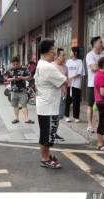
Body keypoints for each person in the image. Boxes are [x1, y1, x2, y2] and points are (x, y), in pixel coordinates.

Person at [34, 39, 68, 169]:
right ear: (48, 51)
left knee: (45, 133)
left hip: (45, 105)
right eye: (53, 50)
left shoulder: (40, 64)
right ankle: (45, 159)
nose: (54, 53)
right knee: (48, 135)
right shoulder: (48, 67)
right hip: (49, 107)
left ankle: (46, 155)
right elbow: (64, 80)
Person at [5, 56, 34, 125]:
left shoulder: (24, 69)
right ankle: (16, 118)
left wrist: (22, 77)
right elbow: (7, 79)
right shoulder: (10, 70)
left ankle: (27, 119)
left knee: (24, 105)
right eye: (14, 64)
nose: (15, 66)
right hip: (13, 91)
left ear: (19, 63)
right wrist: (13, 79)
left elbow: (29, 77)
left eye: (16, 64)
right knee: (15, 105)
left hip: (22, 90)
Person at [85, 36, 103, 133]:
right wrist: (103, 68)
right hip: (92, 84)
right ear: (95, 43)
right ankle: (89, 125)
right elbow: (94, 68)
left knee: (99, 105)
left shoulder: (102, 55)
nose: (102, 44)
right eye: (100, 42)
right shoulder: (90, 55)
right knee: (90, 105)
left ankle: (98, 125)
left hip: (102, 85)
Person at [65, 47, 84, 123]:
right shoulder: (68, 61)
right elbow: (65, 71)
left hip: (76, 84)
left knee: (76, 101)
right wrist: (67, 79)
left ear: (75, 53)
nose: (70, 53)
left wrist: (71, 77)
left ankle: (76, 117)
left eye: (71, 51)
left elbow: (80, 73)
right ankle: (67, 116)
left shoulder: (79, 61)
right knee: (67, 101)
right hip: (69, 84)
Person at [55, 48, 69, 126]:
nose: (64, 57)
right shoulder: (52, 66)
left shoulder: (65, 67)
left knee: (60, 115)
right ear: (58, 56)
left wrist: (66, 92)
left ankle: (54, 132)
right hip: (54, 95)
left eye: (64, 55)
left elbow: (67, 79)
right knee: (54, 115)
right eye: (63, 55)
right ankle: (52, 133)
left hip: (62, 95)